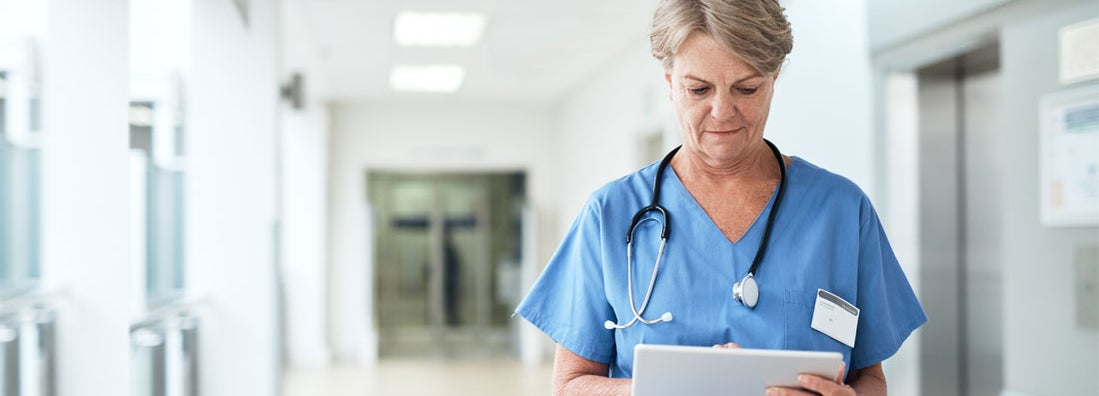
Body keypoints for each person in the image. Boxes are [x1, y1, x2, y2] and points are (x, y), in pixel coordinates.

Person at [514, 0, 927, 395]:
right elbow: (571, 385)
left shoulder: (841, 211)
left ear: (775, 77)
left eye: (746, 89)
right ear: (671, 84)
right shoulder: (611, 214)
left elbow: (869, 377)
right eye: (699, 90)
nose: (722, 111)